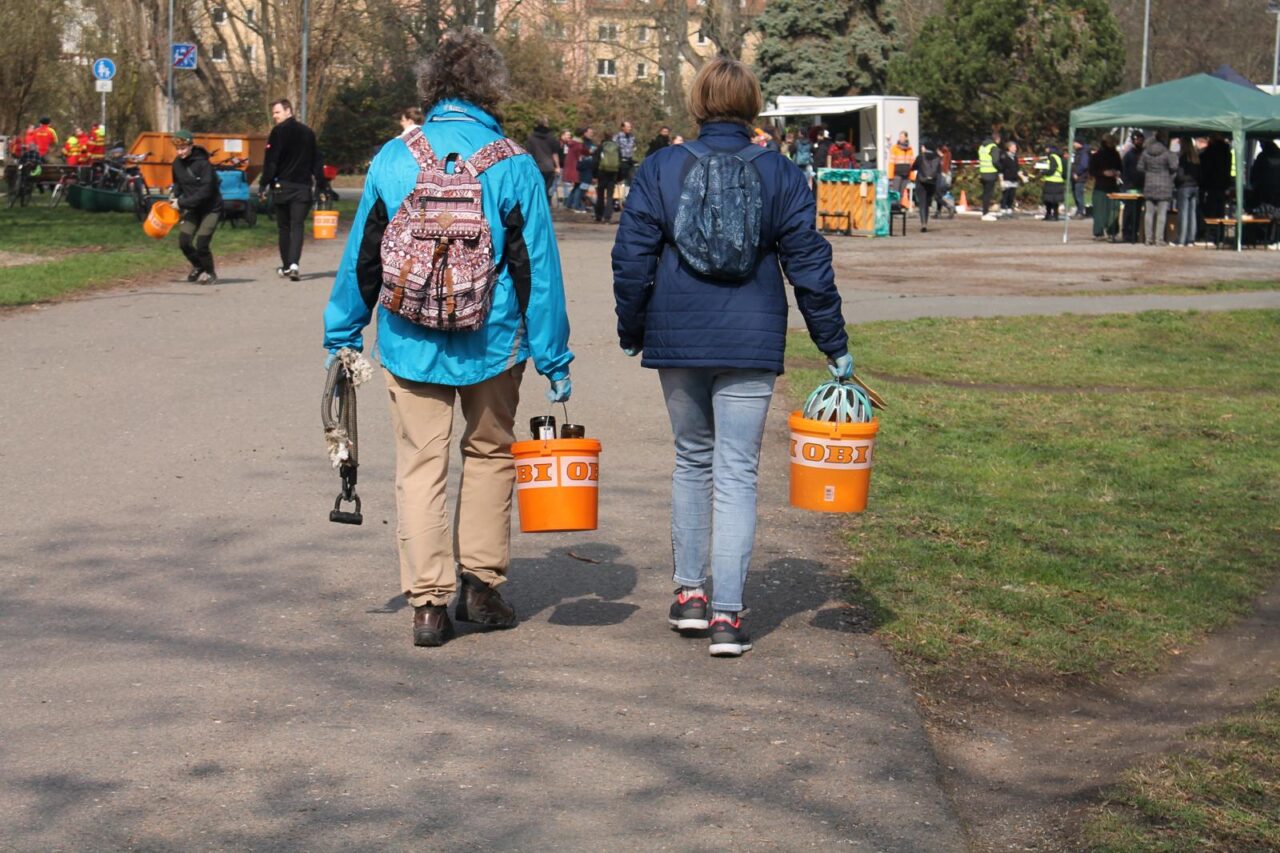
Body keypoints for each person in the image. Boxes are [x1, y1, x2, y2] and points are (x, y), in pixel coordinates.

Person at [323, 28, 573, 649]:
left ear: (431, 85)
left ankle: (428, 605)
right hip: (494, 338)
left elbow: (364, 256)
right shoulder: (514, 162)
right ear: (492, 89)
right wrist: (554, 357)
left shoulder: (394, 157)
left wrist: (342, 333)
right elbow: (537, 269)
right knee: (489, 455)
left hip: (409, 338)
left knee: (419, 465)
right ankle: (480, 590)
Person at [612, 58, 851, 657]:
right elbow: (809, 265)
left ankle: (690, 594)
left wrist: (633, 326)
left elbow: (632, 257)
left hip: (679, 335)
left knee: (692, 459)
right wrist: (833, 343)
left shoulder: (662, 167)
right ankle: (726, 614)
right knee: (738, 471)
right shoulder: (781, 173)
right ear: (752, 107)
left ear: (697, 104)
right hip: (751, 336)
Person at [258, 98, 328, 281]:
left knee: (284, 227)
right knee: (297, 226)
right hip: (303, 187)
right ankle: (295, 263)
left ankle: (286, 265)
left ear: (288, 111)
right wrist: (321, 184)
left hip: (283, 187)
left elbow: (271, 161)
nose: (274, 116)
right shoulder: (308, 133)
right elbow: (316, 160)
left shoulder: (278, 132)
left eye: (277, 112)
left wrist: (263, 184)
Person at [170, 130, 223, 285]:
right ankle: (198, 265)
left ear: (191, 146)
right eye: (178, 149)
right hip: (193, 209)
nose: (180, 152)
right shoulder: (176, 164)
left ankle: (210, 273)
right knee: (184, 242)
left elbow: (206, 192)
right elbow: (178, 183)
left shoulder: (204, 164)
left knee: (202, 243)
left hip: (210, 209)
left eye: (183, 148)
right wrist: (174, 195)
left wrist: (181, 203)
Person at [1138, 131, 1177, 246]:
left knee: (1149, 213)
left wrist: (1149, 171)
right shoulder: (1167, 153)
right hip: (1164, 185)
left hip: (1149, 184)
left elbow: (1140, 168)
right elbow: (1174, 167)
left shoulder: (1145, 153)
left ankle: (1148, 239)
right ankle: (1159, 239)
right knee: (1161, 214)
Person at [1089, 134, 1122, 241]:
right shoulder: (1096, 156)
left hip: (1113, 186)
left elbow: (1121, 168)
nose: (1112, 144)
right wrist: (1103, 173)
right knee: (1099, 212)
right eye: (1109, 142)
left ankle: (1112, 232)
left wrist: (1116, 172)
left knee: (1113, 211)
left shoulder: (1116, 155)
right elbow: (1091, 171)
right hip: (1100, 187)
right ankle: (1098, 232)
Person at [1173, 136, 1201, 246]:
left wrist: (1177, 182)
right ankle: (1191, 239)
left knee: (1183, 214)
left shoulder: (1183, 158)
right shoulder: (1196, 158)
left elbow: (1180, 175)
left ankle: (1181, 239)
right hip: (1195, 187)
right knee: (1192, 214)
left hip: (1184, 187)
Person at [525, 116, 561, 200]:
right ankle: (545, 203)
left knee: (537, 188)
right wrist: (557, 166)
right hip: (549, 167)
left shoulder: (531, 138)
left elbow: (528, 153)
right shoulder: (551, 137)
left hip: (536, 166)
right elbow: (555, 153)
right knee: (546, 188)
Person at [910, 140, 942, 231]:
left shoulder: (920, 157)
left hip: (921, 182)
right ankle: (925, 222)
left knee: (922, 203)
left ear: (925, 147)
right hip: (932, 183)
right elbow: (939, 172)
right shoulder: (937, 158)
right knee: (927, 203)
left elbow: (913, 167)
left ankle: (923, 223)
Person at [1119, 131, 1145, 242]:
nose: (1139, 142)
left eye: (1141, 139)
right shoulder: (1128, 155)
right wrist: (1126, 183)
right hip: (1130, 187)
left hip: (1141, 187)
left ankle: (1135, 233)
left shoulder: (1144, 154)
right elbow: (1123, 170)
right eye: (1137, 139)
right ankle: (1126, 233)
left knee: (1137, 211)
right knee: (1129, 211)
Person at [565, 127, 596, 213]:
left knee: (576, 186)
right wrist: (591, 152)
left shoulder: (573, 142)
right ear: (583, 134)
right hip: (578, 167)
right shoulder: (579, 144)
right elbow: (584, 152)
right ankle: (576, 206)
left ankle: (569, 204)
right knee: (580, 186)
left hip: (572, 166)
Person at [595, 128, 620, 224]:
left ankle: (599, 215)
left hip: (602, 172)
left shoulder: (601, 146)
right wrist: (619, 176)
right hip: (613, 173)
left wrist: (594, 174)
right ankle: (607, 217)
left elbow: (596, 160)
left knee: (600, 195)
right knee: (610, 196)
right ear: (612, 136)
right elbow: (620, 161)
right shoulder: (616, 147)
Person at [978, 131, 1001, 220]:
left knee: (985, 194)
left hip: (983, 172)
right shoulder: (993, 147)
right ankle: (985, 213)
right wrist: (1001, 168)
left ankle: (985, 212)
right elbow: (995, 161)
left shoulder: (982, 146)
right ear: (997, 139)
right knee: (988, 194)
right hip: (991, 172)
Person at [1040, 144, 1067, 221]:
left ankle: (1049, 215)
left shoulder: (1052, 157)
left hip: (1051, 181)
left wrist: (1044, 172)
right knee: (1055, 200)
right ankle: (1055, 215)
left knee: (1048, 200)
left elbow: (1052, 169)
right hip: (1059, 181)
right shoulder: (1059, 157)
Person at [998, 140, 1022, 218]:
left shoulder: (1015, 157)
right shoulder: (1004, 157)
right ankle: (1003, 208)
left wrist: (1022, 177)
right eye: (1013, 147)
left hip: (1014, 178)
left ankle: (1009, 208)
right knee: (1006, 194)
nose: (1015, 149)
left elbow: (1018, 168)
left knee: (1012, 194)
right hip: (1006, 178)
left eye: (1015, 147)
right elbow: (1001, 169)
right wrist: (1001, 180)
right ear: (1009, 148)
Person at [888, 131, 914, 202]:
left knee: (902, 193)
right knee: (896, 192)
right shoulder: (895, 148)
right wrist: (890, 177)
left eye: (902, 137)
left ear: (906, 138)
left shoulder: (910, 149)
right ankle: (894, 206)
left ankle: (899, 205)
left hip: (906, 175)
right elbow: (891, 163)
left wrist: (912, 177)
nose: (900, 138)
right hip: (897, 174)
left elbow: (912, 164)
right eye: (900, 137)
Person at [1070, 136, 1090, 218]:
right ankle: (1078, 211)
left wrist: (1077, 173)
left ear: (1079, 143)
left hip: (1080, 177)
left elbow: (1084, 165)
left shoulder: (1084, 153)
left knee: (1079, 195)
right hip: (1076, 177)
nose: (1073, 144)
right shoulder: (1078, 152)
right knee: (1076, 195)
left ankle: (1080, 212)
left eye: (1074, 142)